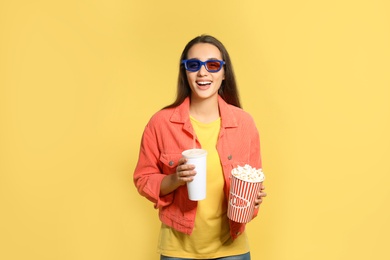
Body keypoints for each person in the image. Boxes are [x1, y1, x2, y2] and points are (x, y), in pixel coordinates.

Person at [133, 35, 267, 260]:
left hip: (231, 248)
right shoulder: (161, 123)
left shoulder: (245, 124)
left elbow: (254, 178)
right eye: (193, 65)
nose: (203, 73)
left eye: (213, 65)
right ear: (185, 72)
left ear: (224, 73)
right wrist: (174, 179)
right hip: (178, 249)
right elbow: (143, 178)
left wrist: (253, 197)